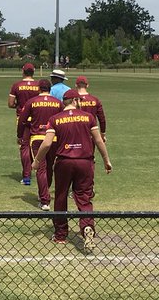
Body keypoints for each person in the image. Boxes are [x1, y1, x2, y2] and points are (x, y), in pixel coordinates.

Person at [32, 89, 113, 250]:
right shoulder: (88, 117)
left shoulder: (55, 119)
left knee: (61, 196)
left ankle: (61, 234)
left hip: (64, 162)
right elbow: (98, 140)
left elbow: (47, 144)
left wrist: (36, 161)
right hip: (85, 161)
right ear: (75, 100)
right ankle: (87, 226)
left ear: (64, 102)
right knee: (84, 196)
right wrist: (106, 160)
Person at [22, 80, 62, 211]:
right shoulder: (57, 103)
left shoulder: (32, 102)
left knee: (40, 168)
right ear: (50, 89)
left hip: (37, 138)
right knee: (49, 167)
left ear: (39, 88)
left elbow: (22, 120)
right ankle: (45, 193)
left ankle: (44, 200)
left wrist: (19, 135)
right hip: (53, 139)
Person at [7, 63, 42, 185]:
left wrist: (21, 106)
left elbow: (10, 103)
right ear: (34, 71)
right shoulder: (39, 85)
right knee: (38, 145)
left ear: (23, 71)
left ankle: (27, 177)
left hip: (22, 118)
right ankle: (41, 173)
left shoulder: (17, 85)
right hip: (38, 118)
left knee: (24, 146)